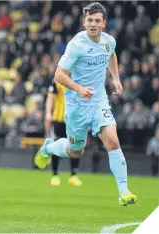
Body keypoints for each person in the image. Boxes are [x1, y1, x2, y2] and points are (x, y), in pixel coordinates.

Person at [34, 2, 137, 206]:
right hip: (77, 105)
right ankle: (49, 147)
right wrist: (78, 88)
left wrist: (116, 79)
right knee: (75, 151)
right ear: (84, 22)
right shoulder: (76, 45)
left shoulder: (109, 42)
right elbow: (59, 75)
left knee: (112, 140)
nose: (93, 24)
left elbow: (112, 55)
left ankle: (124, 191)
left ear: (104, 23)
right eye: (89, 20)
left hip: (99, 101)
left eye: (97, 20)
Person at [44, 81, 82, 186]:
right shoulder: (57, 81)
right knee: (57, 145)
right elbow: (50, 98)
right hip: (59, 119)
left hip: (74, 120)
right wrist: (48, 113)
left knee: (75, 146)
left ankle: (73, 175)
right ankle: (55, 175)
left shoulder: (79, 79)